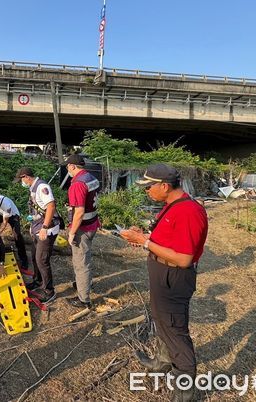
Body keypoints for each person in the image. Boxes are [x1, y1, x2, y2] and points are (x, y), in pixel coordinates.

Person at [120, 163, 208, 402]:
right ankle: (160, 363)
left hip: (174, 278)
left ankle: (184, 394)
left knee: (176, 333)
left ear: (164, 186)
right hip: (162, 275)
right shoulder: (172, 206)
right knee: (162, 321)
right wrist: (145, 237)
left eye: (148, 187)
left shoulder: (188, 212)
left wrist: (145, 242)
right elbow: (169, 240)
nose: (146, 191)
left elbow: (183, 258)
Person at [14, 167, 60, 304]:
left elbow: (51, 206)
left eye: (21, 179)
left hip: (47, 229)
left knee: (42, 260)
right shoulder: (33, 188)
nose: (21, 182)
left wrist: (45, 228)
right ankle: (38, 280)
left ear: (26, 177)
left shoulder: (42, 187)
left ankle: (49, 291)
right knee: (34, 257)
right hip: (37, 227)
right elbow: (37, 209)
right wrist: (31, 224)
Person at [64, 154, 101, 309]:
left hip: (82, 228)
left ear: (72, 166)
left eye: (67, 167)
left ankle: (83, 299)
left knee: (81, 263)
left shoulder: (77, 184)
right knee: (86, 257)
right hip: (93, 224)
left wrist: (72, 232)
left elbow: (79, 212)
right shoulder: (91, 178)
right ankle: (84, 283)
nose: (67, 170)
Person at [0, 191, 28, 270]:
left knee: (17, 235)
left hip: (12, 215)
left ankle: (24, 259)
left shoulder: (6, 204)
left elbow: (5, 222)